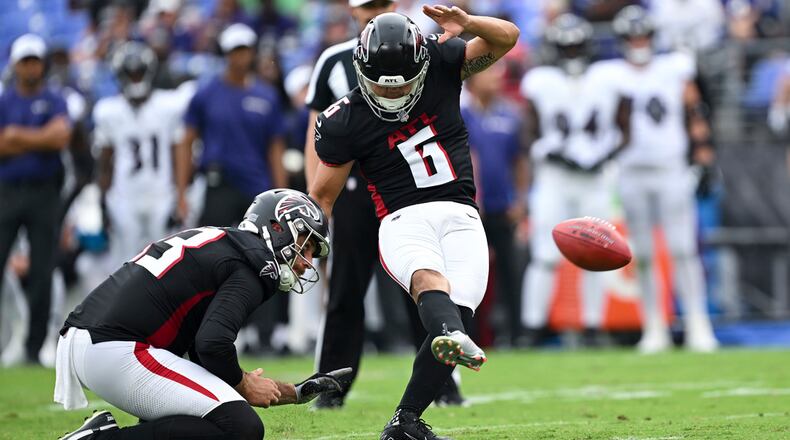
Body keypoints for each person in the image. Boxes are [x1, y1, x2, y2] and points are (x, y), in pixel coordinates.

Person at [309, 8, 519, 439]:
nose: (393, 94)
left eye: (404, 82)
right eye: (383, 85)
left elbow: (507, 37)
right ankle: (446, 336)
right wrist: (307, 244)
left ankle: (405, 421)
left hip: (461, 212)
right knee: (428, 282)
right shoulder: (343, 118)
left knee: (458, 310)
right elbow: (322, 196)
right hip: (400, 217)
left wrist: (471, 22)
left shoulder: (443, 62)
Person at [55, 189, 350, 440]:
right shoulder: (255, 265)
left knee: (207, 415)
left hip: (98, 340)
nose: (306, 262)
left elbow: (202, 348)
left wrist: (290, 392)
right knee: (240, 426)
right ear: (276, 226)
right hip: (115, 346)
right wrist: (243, 383)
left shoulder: (228, 243)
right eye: (306, 245)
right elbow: (212, 343)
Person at [304, 0, 462, 408]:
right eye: (365, 6)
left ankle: (442, 382)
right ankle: (331, 385)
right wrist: (315, 199)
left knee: (422, 282)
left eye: (379, 4)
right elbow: (317, 129)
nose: (372, 12)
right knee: (345, 289)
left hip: (403, 185)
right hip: (354, 187)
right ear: (352, 11)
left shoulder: (420, 50)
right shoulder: (334, 60)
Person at [610, 6, 719, 353]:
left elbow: (695, 110)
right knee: (641, 253)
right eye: (632, 36)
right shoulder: (609, 75)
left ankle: (698, 324)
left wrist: (703, 158)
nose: (638, 42)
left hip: (671, 167)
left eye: (643, 34)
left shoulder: (675, 67)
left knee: (683, 249)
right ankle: (654, 325)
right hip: (631, 170)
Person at [519, 14, 632, 347]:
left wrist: (606, 155)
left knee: (597, 252)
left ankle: (594, 325)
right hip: (555, 176)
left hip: (595, 178)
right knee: (544, 254)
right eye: (566, 48)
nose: (572, 53)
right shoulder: (541, 80)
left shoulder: (608, 78)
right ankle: (532, 326)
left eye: (576, 46)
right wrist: (550, 152)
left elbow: (626, 127)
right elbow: (529, 130)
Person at [0, 33, 73, 365]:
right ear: (15, 64)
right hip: (9, 191)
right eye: (24, 61)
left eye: (34, 60)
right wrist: (38, 138)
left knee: (43, 269)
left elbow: (60, 137)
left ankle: (34, 346)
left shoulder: (55, 99)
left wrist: (17, 136)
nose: (30, 67)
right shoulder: (5, 101)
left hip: (44, 191)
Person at [175, 23, 287, 228]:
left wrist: (280, 196)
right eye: (236, 50)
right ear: (226, 53)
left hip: (257, 185)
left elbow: (276, 148)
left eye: (245, 50)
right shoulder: (206, 94)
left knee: (260, 251)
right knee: (215, 249)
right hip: (219, 184)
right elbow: (186, 142)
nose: (241, 56)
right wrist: (181, 192)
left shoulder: (267, 96)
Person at [94, 41, 192, 269]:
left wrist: (180, 195)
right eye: (131, 73)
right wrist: (102, 200)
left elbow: (179, 151)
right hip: (124, 196)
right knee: (125, 265)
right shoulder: (109, 111)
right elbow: (105, 159)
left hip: (161, 194)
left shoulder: (168, 106)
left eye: (139, 72)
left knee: (168, 265)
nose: (136, 77)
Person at [461, 61, 528, 347]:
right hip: (472, 208)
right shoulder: (460, 115)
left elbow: (520, 160)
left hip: (504, 206)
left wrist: (521, 200)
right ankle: (471, 336)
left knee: (512, 271)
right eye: (487, 73)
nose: (495, 78)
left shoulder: (511, 114)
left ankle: (516, 334)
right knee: (470, 274)